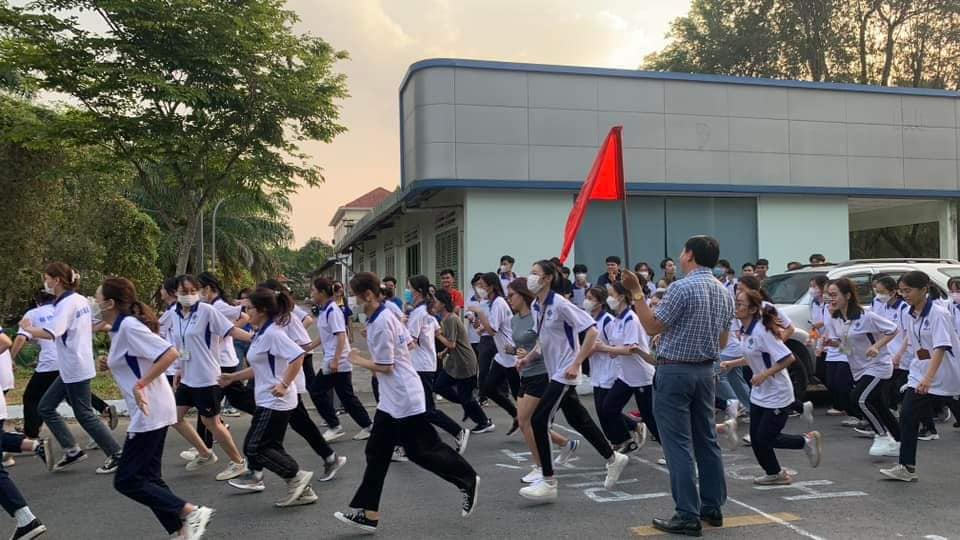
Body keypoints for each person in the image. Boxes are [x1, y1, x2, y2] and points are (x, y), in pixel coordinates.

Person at [334, 273, 479, 533]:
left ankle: (467, 479)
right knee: (377, 452)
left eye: (355, 295)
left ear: (368, 295)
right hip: (394, 398)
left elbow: (387, 366)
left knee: (423, 450)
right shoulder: (385, 315)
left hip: (402, 396)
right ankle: (369, 513)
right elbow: (406, 345)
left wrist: (357, 360)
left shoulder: (382, 320)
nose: (353, 301)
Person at [621, 236, 733, 536]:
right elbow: (723, 340)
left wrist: (636, 292)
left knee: (678, 444)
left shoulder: (681, 287)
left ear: (690, 255)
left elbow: (652, 325)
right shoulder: (723, 290)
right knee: (706, 439)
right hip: (706, 370)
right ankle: (712, 506)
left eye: (683, 251)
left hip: (675, 370)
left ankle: (686, 513)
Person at [96, 278, 215, 538]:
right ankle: (180, 531)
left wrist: (141, 384)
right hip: (152, 408)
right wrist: (110, 364)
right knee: (149, 478)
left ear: (110, 303)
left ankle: (190, 511)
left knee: (127, 480)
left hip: (150, 410)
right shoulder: (120, 329)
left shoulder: (128, 326)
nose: (95, 304)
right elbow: (136, 361)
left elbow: (169, 353)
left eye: (98, 299)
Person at [516, 260, 628, 501]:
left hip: (565, 372)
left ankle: (548, 481)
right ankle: (613, 457)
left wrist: (577, 363)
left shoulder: (560, 303)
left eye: (535, 273)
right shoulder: (537, 306)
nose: (530, 277)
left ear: (547, 278)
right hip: (555, 370)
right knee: (579, 419)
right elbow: (543, 340)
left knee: (539, 419)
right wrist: (529, 358)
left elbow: (592, 331)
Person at [17, 262, 123, 474]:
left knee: (83, 414)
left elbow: (52, 332)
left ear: (56, 280)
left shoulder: (66, 304)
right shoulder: (78, 299)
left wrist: (29, 328)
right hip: (72, 366)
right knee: (45, 407)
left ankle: (116, 454)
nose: (45, 283)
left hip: (75, 366)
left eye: (46, 278)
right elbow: (93, 324)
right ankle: (72, 450)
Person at [217, 286, 317, 506]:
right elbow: (260, 367)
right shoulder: (261, 334)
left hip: (276, 400)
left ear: (262, 310)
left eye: (249, 308)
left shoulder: (273, 333)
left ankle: (296, 475)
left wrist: (284, 384)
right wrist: (233, 377)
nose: (246, 313)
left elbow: (298, 356)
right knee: (271, 447)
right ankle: (303, 490)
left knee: (254, 447)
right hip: (266, 398)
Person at [720, 290, 822, 486]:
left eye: (740, 304)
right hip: (760, 392)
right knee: (756, 439)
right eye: (735, 302)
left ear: (752, 309)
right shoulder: (745, 331)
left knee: (766, 437)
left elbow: (788, 358)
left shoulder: (762, 332)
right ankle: (774, 473)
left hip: (777, 393)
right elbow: (753, 356)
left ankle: (806, 441)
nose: (735, 307)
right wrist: (732, 364)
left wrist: (764, 374)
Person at [165, 275, 251, 481]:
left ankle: (238, 462)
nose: (188, 295)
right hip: (188, 377)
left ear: (200, 292)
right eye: (183, 292)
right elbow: (181, 344)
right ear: (175, 293)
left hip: (206, 377)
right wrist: (179, 369)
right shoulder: (174, 314)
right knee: (174, 417)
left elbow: (231, 330)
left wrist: (256, 338)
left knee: (211, 422)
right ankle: (205, 453)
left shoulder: (207, 311)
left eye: (192, 291)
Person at [880, 271, 960, 482]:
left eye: (908, 290)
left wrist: (929, 378)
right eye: (901, 291)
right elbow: (910, 338)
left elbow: (941, 347)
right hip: (920, 371)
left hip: (945, 373)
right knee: (908, 414)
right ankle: (906, 466)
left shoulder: (938, 314)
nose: (904, 295)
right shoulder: (908, 312)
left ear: (924, 290)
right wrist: (901, 357)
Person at [11, 290, 116, 448]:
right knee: (70, 397)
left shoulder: (32, 314)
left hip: (49, 364)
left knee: (32, 398)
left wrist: (11, 358)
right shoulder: (61, 309)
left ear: (37, 301)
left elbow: (21, 337)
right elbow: (95, 326)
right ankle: (103, 411)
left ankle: (32, 435)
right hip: (69, 362)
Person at [507, 278, 575, 484]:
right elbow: (518, 346)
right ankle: (565, 444)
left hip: (543, 372)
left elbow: (546, 342)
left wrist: (529, 354)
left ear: (522, 295)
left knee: (525, 421)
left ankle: (540, 467)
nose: (509, 299)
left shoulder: (537, 314)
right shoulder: (514, 320)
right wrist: (517, 352)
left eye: (512, 295)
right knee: (529, 421)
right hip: (525, 373)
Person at [823, 278, 901, 457]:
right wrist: (832, 344)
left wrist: (876, 346)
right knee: (879, 406)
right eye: (829, 295)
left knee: (859, 399)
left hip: (878, 366)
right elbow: (848, 348)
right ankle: (900, 442)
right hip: (859, 369)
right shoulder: (836, 319)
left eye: (834, 295)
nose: (830, 299)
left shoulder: (866, 316)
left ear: (848, 295)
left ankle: (881, 436)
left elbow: (893, 330)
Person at [306, 277, 374, 441]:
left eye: (313, 290)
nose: (311, 294)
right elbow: (325, 336)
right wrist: (308, 347)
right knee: (346, 397)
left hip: (337, 360)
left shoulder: (333, 311)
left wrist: (336, 360)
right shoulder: (324, 310)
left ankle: (334, 425)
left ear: (322, 292)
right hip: (334, 359)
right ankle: (367, 425)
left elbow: (341, 336)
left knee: (316, 391)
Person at [407, 275, 470, 449]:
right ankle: (410, 443)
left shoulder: (419, 313)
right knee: (414, 407)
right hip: (426, 364)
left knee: (425, 408)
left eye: (410, 289)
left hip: (420, 366)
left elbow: (410, 342)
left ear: (418, 291)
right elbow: (436, 332)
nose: (408, 292)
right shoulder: (427, 311)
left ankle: (457, 431)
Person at [597, 281, 660, 455]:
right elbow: (618, 346)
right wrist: (611, 350)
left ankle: (672, 451)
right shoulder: (618, 319)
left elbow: (630, 349)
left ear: (622, 296)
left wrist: (606, 348)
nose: (609, 298)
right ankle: (627, 438)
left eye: (612, 295)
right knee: (608, 407)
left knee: (651, 418)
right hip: (625, 376)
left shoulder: (631, 319)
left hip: (641, 376)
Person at [433, 289, 491, 438]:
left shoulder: (451, 319)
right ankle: (468, 406)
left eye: (436, 301)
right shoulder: (446, 319)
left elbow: (452, 344)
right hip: (454, 363)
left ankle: (484, 422)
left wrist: (438, 335)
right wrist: (444, 352)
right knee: (439, 386)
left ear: (443, 303)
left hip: (464, 362)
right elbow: (453, 342)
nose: (434, 304)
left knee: (465, 397)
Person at [467, 273, 519, 435]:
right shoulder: (491, 303)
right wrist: (481, 327)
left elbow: (493, 330)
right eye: (478, 285)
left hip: (511, 356)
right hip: (501, 356)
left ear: (491, 286)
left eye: (482, 285)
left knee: (519, 395)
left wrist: (479, 313)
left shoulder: (499, 303)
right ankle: (516, 415)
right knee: (488, 388)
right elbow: (492, 326)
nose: (479, 289)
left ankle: (540, 424)